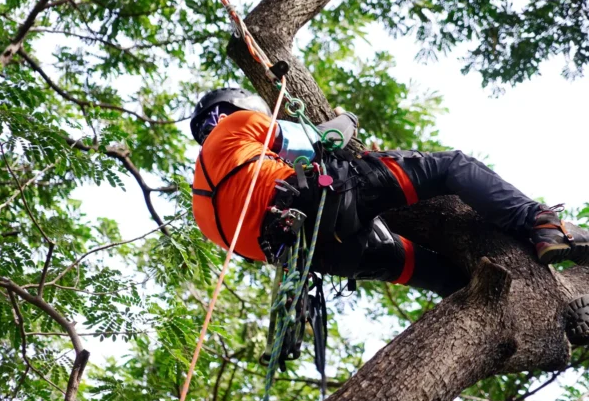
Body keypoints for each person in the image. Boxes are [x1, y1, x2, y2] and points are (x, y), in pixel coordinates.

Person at [190, 88, 589, 297]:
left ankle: (508, 300)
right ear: (238, 106)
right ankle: (542, 224)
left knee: (435, 272)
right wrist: (345, 120)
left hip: (327, 255)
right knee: (451, 166)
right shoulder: (235, 126)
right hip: (331, 200)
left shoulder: (202, 214)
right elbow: (325, 139)